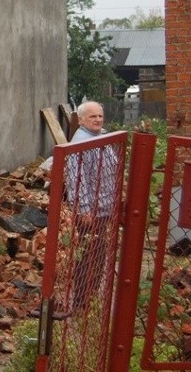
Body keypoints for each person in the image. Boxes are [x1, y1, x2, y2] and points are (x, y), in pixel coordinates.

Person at [65, 100, 120, 312]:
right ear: (80, 120)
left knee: (97, 258)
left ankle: (90, 299)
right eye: (92, 117)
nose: (97, 120)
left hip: (104, 209)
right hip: (91, 214)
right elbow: (77, 180)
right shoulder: (80, 143)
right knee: (88, 260)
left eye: (100, 116)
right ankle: (81, 303)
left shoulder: (101, 138)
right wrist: (84, 210)